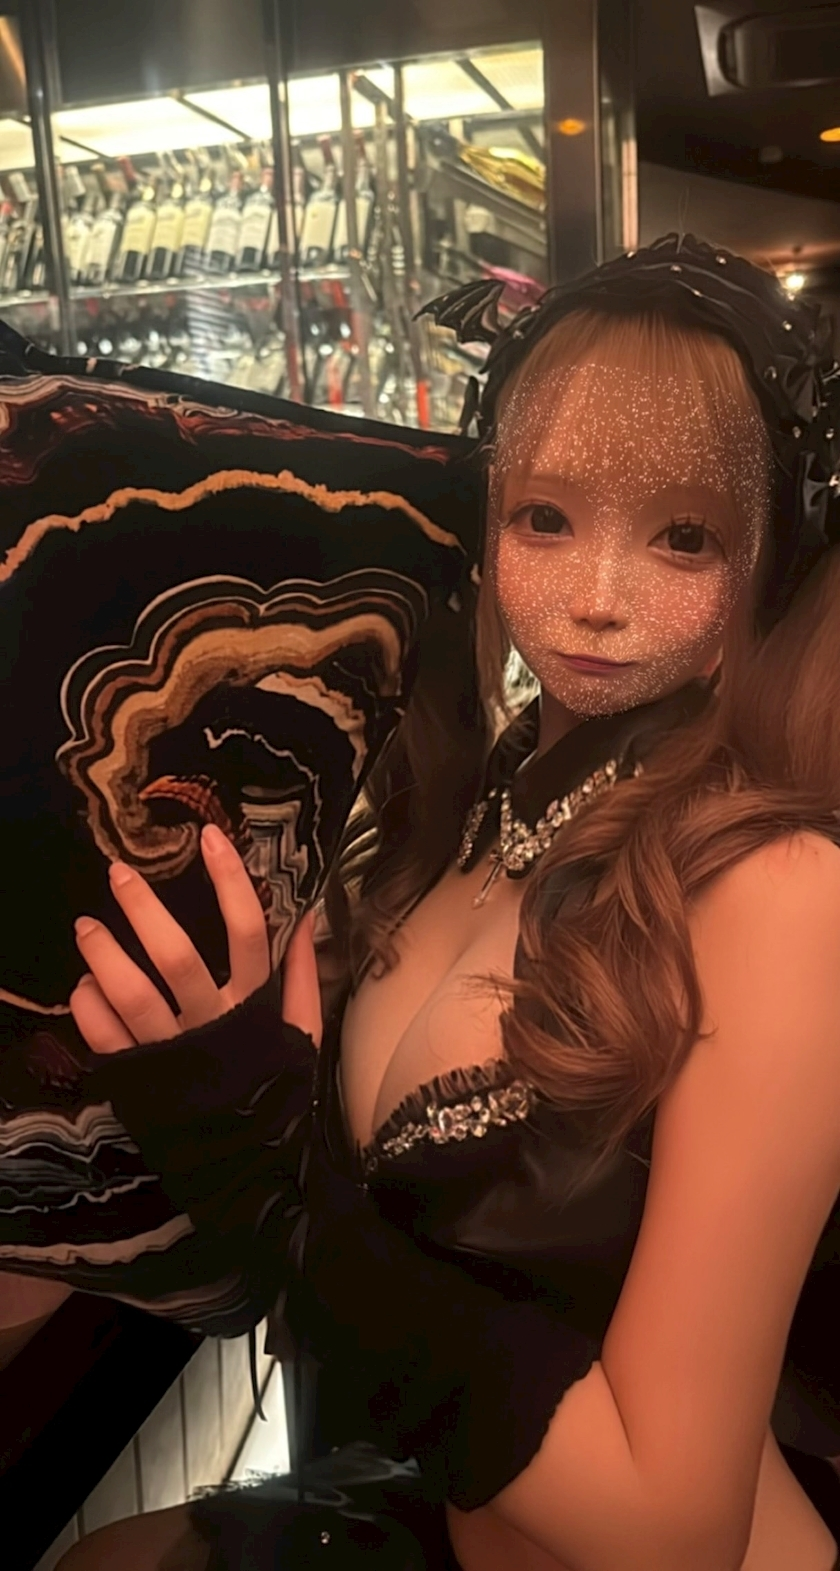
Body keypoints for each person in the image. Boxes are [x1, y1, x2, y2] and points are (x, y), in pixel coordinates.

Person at [24, 233, 840, 1570]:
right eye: (545, 516)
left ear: (777, 555)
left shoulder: (780, 890)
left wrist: (282, 1188)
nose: (597, 599)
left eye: (685, 535)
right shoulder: (476, 808)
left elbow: (674, 1528)